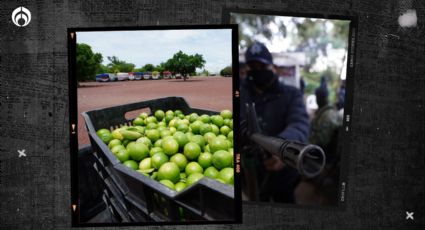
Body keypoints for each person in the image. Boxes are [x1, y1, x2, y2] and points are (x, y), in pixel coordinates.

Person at [240, 42, 310, 203]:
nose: (257, 70)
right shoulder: (240, 94)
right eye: (252, 66)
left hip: (284, 173)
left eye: (262, 66)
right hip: (252, 175)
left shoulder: (291, 94)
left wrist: (283, 147)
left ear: (272, 67)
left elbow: (300, 124)